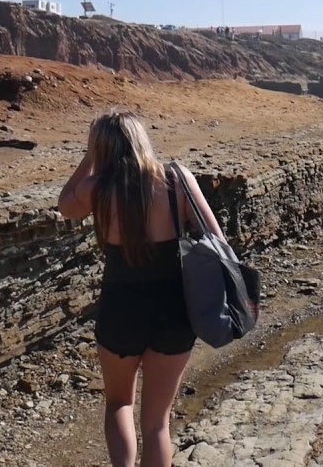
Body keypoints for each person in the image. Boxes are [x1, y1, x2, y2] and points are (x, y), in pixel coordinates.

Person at [58, 112, 226, 467]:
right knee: (157, 425)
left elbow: (64, 205)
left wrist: (89, 158)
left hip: (121, 311)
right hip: (173, 311)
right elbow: (217, 240)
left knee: (119, 403)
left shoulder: (98, 188)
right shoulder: (176, 178)